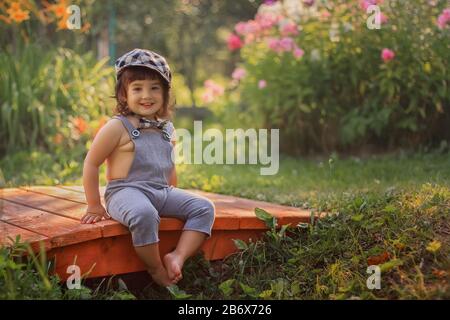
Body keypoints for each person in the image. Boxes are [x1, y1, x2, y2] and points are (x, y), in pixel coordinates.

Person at [80, 48, 215, 287]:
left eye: (154, 88)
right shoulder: (117, 127)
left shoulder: (166, 128)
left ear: (165, 93)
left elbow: (168, 163)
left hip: (160, 191)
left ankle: (177, 256)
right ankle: (155, 269)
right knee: (144, 214)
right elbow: (91, 163)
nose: (147, 95)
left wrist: (174, 194)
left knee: (204, 207)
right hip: (125, 192)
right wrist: (94, 204)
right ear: (123, 95)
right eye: (137, 88)